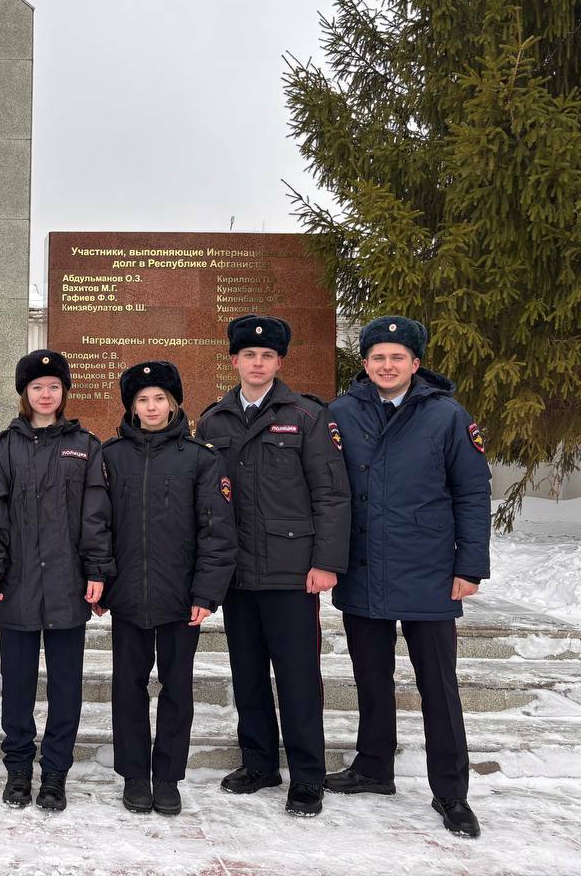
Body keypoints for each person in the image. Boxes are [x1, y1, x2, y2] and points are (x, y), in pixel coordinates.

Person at [326, 317, 490, 838]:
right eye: (377, 357)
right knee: (371, 678)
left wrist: (470, 566)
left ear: (416, 364)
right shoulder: (341, 413)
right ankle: (373, 767)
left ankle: (451, 792)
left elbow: (472, 491)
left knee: (438, 687)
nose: (387, 366)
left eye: (397, 357)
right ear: (365, 363)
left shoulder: (447, 416)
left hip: (429, 569)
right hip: (363, 565)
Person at [196, 314, 350, 817]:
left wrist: (325, 562)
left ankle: (307, 777)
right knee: (247, 674)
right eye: (248, 355)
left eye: (267, 356)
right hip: (237, 573)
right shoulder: (213, 420)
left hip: (292, 570)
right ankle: (259, 763)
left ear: (279, 362)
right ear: (234, 360)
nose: (257, 363)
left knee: (299, 676)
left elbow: (331, 493)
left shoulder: (306, 416)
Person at [0, 350, 112, 812]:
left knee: (65, 687)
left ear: (63, 392)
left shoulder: (86, 446)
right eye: (37, 387)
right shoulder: (4, 448)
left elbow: (95, 515)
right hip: (18, 585)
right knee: (17, 685)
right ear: (24, 394)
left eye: (53, 386)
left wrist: (96, 570)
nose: (46, 394)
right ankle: (18, 771)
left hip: (69, 586)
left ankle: (54, 774)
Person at [99, 360, 236, 816]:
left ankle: (169, 777)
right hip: (127, 596)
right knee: (128, 687)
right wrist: (101, 580)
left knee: (177, 688)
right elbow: (98, 525)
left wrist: (206, 594)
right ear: (132, 407)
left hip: (181, 599)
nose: (152, 406)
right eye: (142, 399)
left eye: (160, 398)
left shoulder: (200, 458)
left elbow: (216, 531)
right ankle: (135, 775)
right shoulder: (111, 456)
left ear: (174, 403)